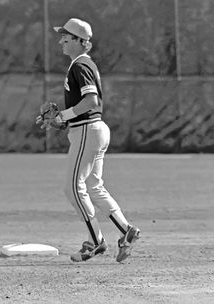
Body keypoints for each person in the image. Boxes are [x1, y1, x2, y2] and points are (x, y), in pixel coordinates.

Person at [51, 18, 140, 262]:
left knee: (73, 188)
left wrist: (64, 115)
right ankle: (126, 231)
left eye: (66, 37)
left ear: (81, 42)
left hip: (87, 131)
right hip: (91, 129)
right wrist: (64, 119)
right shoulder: (82, 64)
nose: (61, 41)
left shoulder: (80, 65)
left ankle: (97, 241)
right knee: (94, 187)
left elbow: (91, 102)